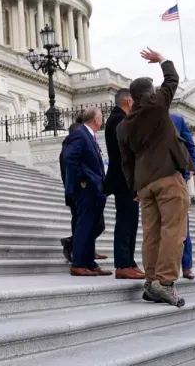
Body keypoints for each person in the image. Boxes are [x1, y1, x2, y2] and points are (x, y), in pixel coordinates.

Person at [117, 48, 194, 307]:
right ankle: (165, 282)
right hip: (168, 177)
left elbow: (125, 161)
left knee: (151, 234)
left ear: (132, 97)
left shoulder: (123, 126)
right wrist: (162, 60)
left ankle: (151, 281)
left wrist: (134, 189)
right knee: (174, 230)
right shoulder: (158, 105)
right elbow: (172, 80)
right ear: (150, 93)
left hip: (144, 184)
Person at [63, 107, 111, 276]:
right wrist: (83, 179)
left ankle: (90, 262)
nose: (102, 120)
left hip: (96, 188)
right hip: (86, 189)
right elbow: (69, 157)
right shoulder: (80, 134)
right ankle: (78, 263)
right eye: (101, 117)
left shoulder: (89, 135)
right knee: (84, 225)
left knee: (92, 226)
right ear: (95, 119)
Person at [104, 89, 145, 280]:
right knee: (125, 221)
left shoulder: (118, 118)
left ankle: (129, 260)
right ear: (129, 101)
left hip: (126, 178)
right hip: (123, 178)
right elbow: (128, 150)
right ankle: (122, 264)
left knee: (131, 221)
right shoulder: (118, 120)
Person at [171, 113, 195, 280]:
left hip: (177, 177)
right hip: (152, 180)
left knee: (183, 225)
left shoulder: (177, 120)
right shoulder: (142, 119)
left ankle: (186, 265)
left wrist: (191, 168)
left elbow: (190, 146)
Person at [59, 120, 83, 262]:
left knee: (79, 221)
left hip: (72, 191)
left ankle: (79, 245)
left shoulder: (67, 147)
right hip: (75, 191)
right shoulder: (69, 149)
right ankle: (73, 244)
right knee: (87, 222)